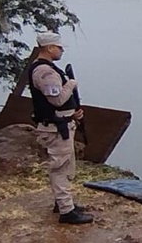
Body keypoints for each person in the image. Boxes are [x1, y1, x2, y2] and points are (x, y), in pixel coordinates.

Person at [29, 32, 94, 225]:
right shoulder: (45, 72)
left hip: (61, 123)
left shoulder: (47, 68)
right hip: (56, 129)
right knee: (60, 167)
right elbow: (56, 99)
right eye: (59, 47)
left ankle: (63, 202)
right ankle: (67, 211)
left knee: (64, 166)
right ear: (49, 48)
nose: (61, 50)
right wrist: (71, 84)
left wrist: (72, 113)